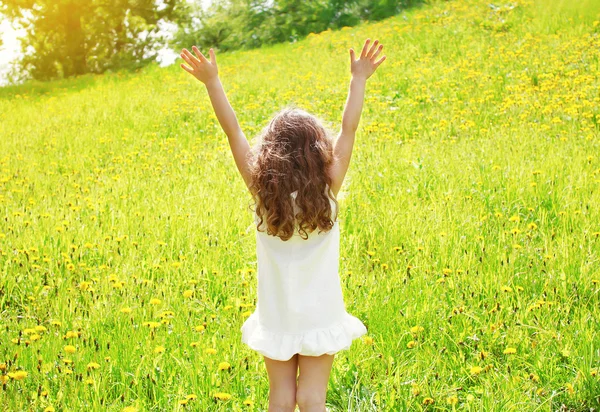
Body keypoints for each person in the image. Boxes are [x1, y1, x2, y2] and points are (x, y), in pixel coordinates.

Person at [180, 38, 386, 412]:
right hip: (320, 311)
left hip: (277, 313)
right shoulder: (326, 191)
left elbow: (234, 133)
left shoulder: (263, 194)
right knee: (311, 400)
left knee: (281, 400)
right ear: (318, 151)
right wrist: (359, 80)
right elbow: (348, 130)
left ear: (270, 154)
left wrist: (212, 82)